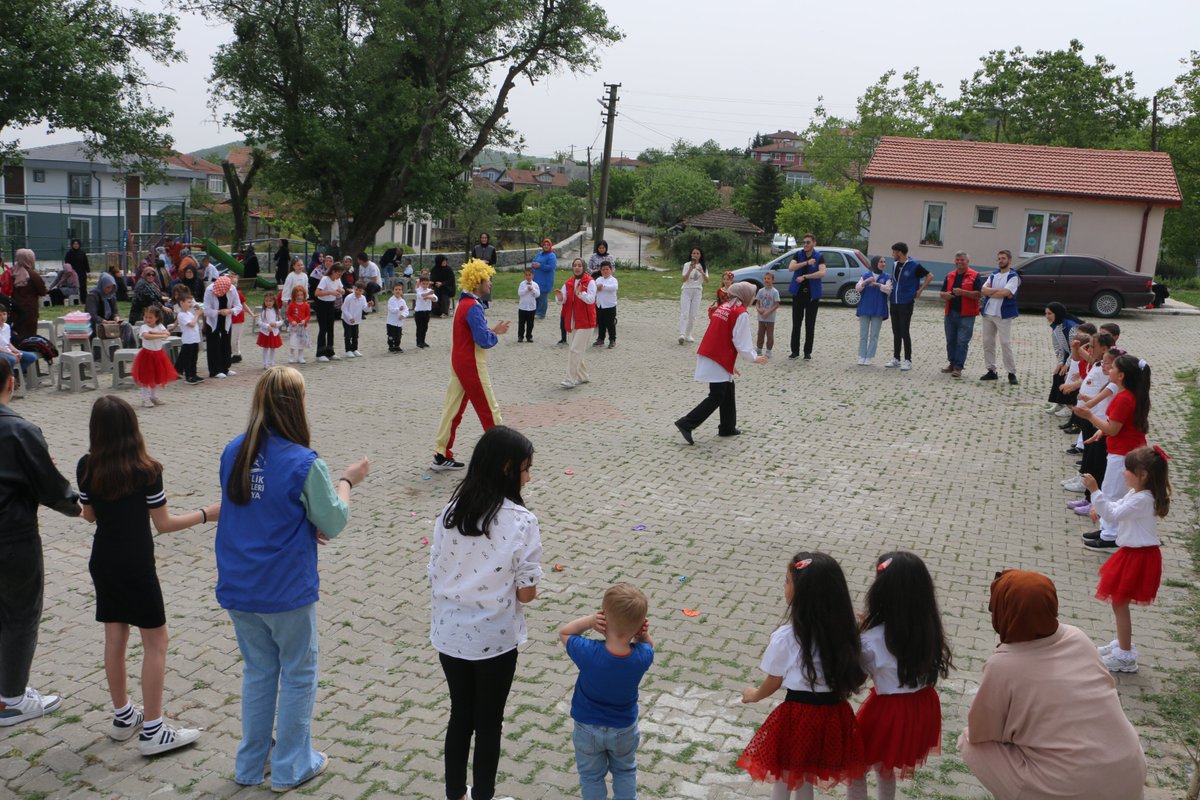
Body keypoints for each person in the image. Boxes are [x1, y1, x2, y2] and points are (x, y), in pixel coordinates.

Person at [216, 367, 369, 791]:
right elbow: (334, 520)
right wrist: (347, 481)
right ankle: (290, 766)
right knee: (299, 672)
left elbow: (256, 508)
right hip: (284, 588)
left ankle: (252, 764)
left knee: (260, 671)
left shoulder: (234, 451)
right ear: (295, 406)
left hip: (239, 583)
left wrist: (304, 517)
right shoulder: (304, 461)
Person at [77, 396, 217, 754]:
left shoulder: (86, 465)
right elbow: (164, 524)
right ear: (132, 428)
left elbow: (89, 516)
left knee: (114, 637)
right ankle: (153, 729)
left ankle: (124, 715)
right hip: (136, 563)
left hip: (103, 560)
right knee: (156, 641)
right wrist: (206, 513)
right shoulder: (147, 469)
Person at [958, 570, 1147, 800]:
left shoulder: (1003, 664)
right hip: (1129, 769)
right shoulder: (1077, 637)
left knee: (970, 742)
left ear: (1004, 612)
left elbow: (982, 731)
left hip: (1071, 789)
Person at [428, 425, 542, 800]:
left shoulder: (450, 511)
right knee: (489, 721)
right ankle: (484, 796)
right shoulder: (522, 521)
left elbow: (435, 570)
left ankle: (455, 794)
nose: (529, 477)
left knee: (460, 715)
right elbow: (526, 594)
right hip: (495, 639)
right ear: (508, 468)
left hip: (449, 634)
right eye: (526, 469)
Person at [737, 552, 866, 797]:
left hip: (797, 718)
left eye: (787, 581)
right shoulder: (849, 632)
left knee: (786, 777)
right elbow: (859, 671)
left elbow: (774, 681)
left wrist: (754, 695)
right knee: (804, 774)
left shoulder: (786, 637)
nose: (783, 586)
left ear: (801, 594)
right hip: (834, 715)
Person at [0, 358, 81, 727]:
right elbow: (50, 485)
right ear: (11, 383)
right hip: (12, 537)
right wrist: (78, 506)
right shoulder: (19, 430)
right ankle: (12, 699)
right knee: (20, 614)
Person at [848, 552, 952, 800]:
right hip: (921, 708)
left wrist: (857, 638)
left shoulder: (872, 641)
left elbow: (855, 680)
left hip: (889, 714)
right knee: (885, 765)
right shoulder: (929, 627)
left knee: (856, 765)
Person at [1080, 445, 1170, 675]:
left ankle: (1125, 655)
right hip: (1133, 554)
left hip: (1139, 557)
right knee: (1118, 602)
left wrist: (1095, 491)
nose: (1123, 473)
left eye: (1127, 470)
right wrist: (1098, 506)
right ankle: (1122, 644)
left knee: (1120, 602)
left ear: (1143, 475)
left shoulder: (1142, 499)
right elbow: (1115, 508)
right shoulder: (1138, 494)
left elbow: (1113, 514)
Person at [559, 584, 654, 800]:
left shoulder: (588, 651)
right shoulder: (641, 657)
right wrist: (643, 635)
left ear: (604, 618)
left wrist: (590, 621)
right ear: (640, 625)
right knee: (625, 771)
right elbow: (649, 646)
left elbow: (565, 632)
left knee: (591, 776)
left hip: (587, 727)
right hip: (623, 729)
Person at [431, 259, 510, 471]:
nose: (491, 284)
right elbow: (483, 340)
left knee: (453, 408)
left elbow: (474, 334)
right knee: (489, 408)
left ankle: (441, 453)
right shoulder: (473, 307)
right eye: (488, 280)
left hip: (459, 361)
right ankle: (501, 455)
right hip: (472, 363)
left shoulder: (462, 304)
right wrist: (496, 334)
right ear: (477, 282)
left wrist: (489, 330)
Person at [674, 282, 768, 444]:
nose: (754, 298)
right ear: (744, 295)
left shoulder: (725, 307)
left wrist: (731, 364)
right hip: (716, 356)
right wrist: (753, 357)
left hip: (713, 353)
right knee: (717, 395)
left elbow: (723, 333)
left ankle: (727, 426)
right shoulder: (740, 313)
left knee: (728, 388)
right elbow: (741, 340)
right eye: (752, 294)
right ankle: (687, 423)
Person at [1074, 354, 1151, 550]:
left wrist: (1090, 416)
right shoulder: (1132, 395)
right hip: (1128, 450)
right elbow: (1117, 425)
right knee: (1117, 492)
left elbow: (1113, 429)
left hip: (1123, 453)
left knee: (1111, 493)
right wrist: (1100, 431)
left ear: (1121, 376)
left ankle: (1110, 536)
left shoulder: (1123, 399)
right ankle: (1108, 529)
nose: (1109, 370)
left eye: (1114, 368)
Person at [884, 243, 931, 372]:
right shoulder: (894, 265)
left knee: (904, 331)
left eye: (894, 252)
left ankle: (908, 360)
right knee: (896, 331)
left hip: (906, 302)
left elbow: (929, 276)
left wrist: (920, 291)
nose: (892, 254)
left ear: (900, 252)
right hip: (894, 301)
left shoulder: (914, 265)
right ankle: (896, 358)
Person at [937, 251, 981, 378]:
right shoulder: (950, 275)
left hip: (967, 315)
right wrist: (945, 296)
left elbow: (979, 294)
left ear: (967, 261)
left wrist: (962, 292)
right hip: (950, 313)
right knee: (950, 340)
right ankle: (951, 363)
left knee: (962, 341)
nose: (959, 262)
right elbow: (942, 293)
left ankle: (958, 367)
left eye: (962, 260)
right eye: (957, 260)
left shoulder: (974, 275)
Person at [979, 249, 1020, 384]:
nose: (1000, 261)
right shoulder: (994, 274)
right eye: (999, 258)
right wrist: (998, 292)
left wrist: (992, 292)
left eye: (1003, 258)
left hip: (1003, 314)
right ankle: (991, 370)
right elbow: (983, 290)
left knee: (1005, 343)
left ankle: (1011, 372)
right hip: (989, 312)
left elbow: (1007, 292)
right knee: (987, 342)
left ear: (1009, 260)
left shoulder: (1013, 276)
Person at [787, 234, 826, 360]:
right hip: (798, 294)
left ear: (814, 243)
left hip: (812, 295)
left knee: (810, 324)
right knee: (796, 323)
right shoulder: (798, 255)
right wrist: (806, 263)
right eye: (804, 242)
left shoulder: (819, 256)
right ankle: (794, 351)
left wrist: (805, 277)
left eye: (808, 242)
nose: (805, 244)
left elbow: (821, 273)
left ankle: (807, 352)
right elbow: (791, 268)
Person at [561, 258, 597, 389]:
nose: (577, 267)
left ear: (584, 267)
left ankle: (570, 379)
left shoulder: (590, 282)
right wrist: (559, 298)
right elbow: (563, 298)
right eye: (575, 265)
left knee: (575, 350)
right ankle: (583, 376)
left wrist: (581, 294)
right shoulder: (568, 282)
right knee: (577, 350)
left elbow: (591, 299)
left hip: (586, 322)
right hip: (572, 321)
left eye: (579, 265)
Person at [132, 306, 178, 408]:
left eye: (150, 317)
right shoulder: (144, 327)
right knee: (146, 378)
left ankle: (153, 397)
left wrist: (157, 333)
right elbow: (147, 336)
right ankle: (145, 399)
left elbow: (167, 333)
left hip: (158, 355)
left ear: (156, 318)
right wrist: (160, 335)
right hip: (147, 355)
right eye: (146, 317)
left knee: (155, 377)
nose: (147, 319)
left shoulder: (160, 325)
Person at [1043, 302, 1083, 415]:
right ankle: (1059, 403)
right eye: (1046, 313)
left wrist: (1068, 364)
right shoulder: (1056, 326)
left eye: (1049, 313)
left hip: (1079, 355)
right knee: (1057, 374)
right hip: (1070, 354)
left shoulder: (1071, 326)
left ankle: (1069, 406)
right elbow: (1059, 347)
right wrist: (1061, 362)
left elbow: (1075, 347)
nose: (1047, 316)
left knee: (1067, 376)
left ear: (1057, 313)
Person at [854, 256, 892, 366]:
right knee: (863, 334)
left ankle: (869, 356)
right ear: (875, 263)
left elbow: (889, 290)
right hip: (865, 308)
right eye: (881, 262)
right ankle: (862, 355)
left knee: (874, 335)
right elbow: (857, 288)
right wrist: (865, 282)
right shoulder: (866, 275)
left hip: (878, 309)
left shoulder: (887, 277)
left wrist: (878, 284)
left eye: (884, 262)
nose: (883, 264)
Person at [203, 275, 241, 379]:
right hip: (213, 319)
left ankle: (225, 368)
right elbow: (206, 310)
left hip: (226, 319)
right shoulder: (209, 290)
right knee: (213, 344)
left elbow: (239, 306)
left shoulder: (232, 289)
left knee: (226, 342)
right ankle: (214, 370)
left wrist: (230, 311)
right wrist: (218, 312)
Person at [85, 271, 134, 348]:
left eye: (112, 287)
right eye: (107, 287)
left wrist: (116, 318)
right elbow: (92, 314)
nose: (110, 289)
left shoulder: (111, 296)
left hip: (110, 322)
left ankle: (124, 349)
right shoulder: (93, 296)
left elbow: (115, 311)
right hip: (98, 323)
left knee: (127, 326)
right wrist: (104, 321)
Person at [8, 249, 48, 339]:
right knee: (29, 335)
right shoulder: (32, 275)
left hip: (15, 308)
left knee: (18, 334)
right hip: (29, 309)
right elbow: (42, 291)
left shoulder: (12, 272)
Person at [314, 263, 345, 362]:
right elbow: (317, 293)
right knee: (323, 329)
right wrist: (330, 292)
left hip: (331, 304)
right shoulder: (325, 279)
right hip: (321, 305)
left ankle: (330, 352)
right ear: (333, 271)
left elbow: (342, 289)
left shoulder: (338, 280)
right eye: (339, 274)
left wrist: (341, 291)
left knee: (330, 329)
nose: (339, 277)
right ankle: (320, 353)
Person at [677, 247, 708, 344]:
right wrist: (690, 270)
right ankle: (682, 334)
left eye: (697, 253)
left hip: (697, 291)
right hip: (687, 290)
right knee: (684, 312)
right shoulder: (687, 265)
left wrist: (702, 273)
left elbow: (706, 281)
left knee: (693, 314)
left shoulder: (703, 266)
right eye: (694, 253)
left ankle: (688, 334)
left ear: (700, 255)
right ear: (691, 255)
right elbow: (684, 279)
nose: (695, 255)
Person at [175, 290, 203, 385]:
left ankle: (194, 374)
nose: (191, 304)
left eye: (191, 302)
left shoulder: (189, 313)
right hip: (188, 340)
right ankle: (188, 376)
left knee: (194, 358)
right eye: (188, 302)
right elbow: (191, 324)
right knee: (188, 359)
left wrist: (196, 314)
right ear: (181, 303)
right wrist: (197, 315)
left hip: (195, 339)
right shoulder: (181, 314)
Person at [0, 307, 38, 374]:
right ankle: (7, 378)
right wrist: (11, 354)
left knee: (31, 357)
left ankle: (14, 375)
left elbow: (8, 343)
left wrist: (16, 351)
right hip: (2, 352)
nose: (3, 317)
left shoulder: (6, 326)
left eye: (4, 314)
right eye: (0, 315)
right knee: (12, 359)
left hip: (7, 350)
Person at [754, 272, 781, 358]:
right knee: (760, 333)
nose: (766, 280)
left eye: (769, 279)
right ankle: (759, 349)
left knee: (769, 334)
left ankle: (769, 350)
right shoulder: (761, 291)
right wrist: (758, 310)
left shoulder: (775, 292)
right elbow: (757, 302)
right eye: (765, 278)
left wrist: (767, 312)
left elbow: (777, 304)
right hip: (761, 317)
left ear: (773, 280)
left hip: (770, 318)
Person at [341, 280, 370, 359]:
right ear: (354, 288)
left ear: (363, 291)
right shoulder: (349, 297)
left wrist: (369, 305)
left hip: (356, 320)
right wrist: (350, 317)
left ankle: (354, 349)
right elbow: (344, 308)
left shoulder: (363, 298)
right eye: (356, 289)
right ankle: (348, 350)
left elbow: (365, 309)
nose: (357, 292)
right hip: (347, 319)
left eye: (360, 291)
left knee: (355, 335)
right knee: (347, 335)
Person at [229, 274, 254, 364]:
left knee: (234, 338)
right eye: (233, 283)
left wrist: (251, 313)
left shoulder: (238, 293)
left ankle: (236, 354)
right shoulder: (226, 293)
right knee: (233, 338)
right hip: (230, 318)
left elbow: (243, 304)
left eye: (236, 283)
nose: (235, 285)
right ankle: (236, 353)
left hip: (238, 318)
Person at [531, 238, 558, 319]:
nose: (546, 246)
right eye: (544, 244)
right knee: (536, 295)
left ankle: (541, 313)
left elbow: (551, 266)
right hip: (536, 279)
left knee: (542, 296)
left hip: (546, 279)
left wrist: (540, 266)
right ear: (542, 245)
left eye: (548, 245)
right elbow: (533, 261)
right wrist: (533, 264)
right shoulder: (540, 254)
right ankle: (535, 311)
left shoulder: (551, 255)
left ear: (550, 246)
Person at [593, 262, 618, 348]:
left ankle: (612, 340)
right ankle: (600, 339)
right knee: (601, 323)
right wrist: (597, 287)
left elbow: (614, 287)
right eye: (603, 269)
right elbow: (593, 288)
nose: (605, 271)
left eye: (607, 269)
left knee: (610, 324)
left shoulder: (613, 280)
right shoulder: (598, 279)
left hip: (610, 306)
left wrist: (603, 286)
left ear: (611, 270)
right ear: (600, 271)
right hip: (600, 305)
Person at [257, 292, 284, 369]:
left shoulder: (276, 311)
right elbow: (259, 322)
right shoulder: (263, 312)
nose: (268, 303)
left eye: (270, 301)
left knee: (273, 348)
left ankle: (272, 363)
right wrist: (267, 326)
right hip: (265, 333)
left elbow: (281, 321)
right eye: (266, 301)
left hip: (274, 332)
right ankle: (265, 363)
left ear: (274, 302)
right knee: (265, 348)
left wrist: (276, 323)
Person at [286, 286, 311, 364]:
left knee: (301, 342)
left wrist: (304, 321)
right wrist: (292, 321)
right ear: (294, 296)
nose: (300, 297)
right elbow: (288, 314)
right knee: (293, 342)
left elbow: (308, 315)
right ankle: (291, 356)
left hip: (302, 327)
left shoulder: (306, 305)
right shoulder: (292, 304)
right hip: (294, 328)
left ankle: (300, 356)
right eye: (297, 295)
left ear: (304, 295)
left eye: (301, 295)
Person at [516, 268, 540, 343]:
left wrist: (532, 289)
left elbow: (538, 295)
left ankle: (529, 336)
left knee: (530, 323)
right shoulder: (522, 284)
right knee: (521, 323)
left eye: (529, 275)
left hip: (532, 307)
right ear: (524, 276)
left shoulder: (535, 285)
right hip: (522, 307)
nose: (528, 276)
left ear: (532, 275)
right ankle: (520, 336)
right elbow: (519, 293)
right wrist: (526, 289)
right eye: (526, 275)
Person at [385, 283, 409, 353]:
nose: (398, 291)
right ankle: (391, 346)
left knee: (398, 335)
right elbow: (391, 309)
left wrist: (403, 315)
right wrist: (399, 309)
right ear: (393, 291)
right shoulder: (391, 300)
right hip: (391, 322)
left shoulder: (402, 301)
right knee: (391, 335)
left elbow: (406, 310)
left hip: (399, 323)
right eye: (396, 289)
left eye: (399, 290)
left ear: (402, 291)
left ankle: (397, 346)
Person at [414, 276, 436, 349]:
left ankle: (423, 341)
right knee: (419, 327)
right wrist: (429, 294)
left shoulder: (429, 290)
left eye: (427, 284)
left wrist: (429, 296)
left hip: (427, 311)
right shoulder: (418, 290)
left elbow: (435, 298)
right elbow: (421, 296)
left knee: (425, 327)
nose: (425, 285)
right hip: (419, 312)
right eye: (423, 283)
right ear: (420, 283)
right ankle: (419, 342)